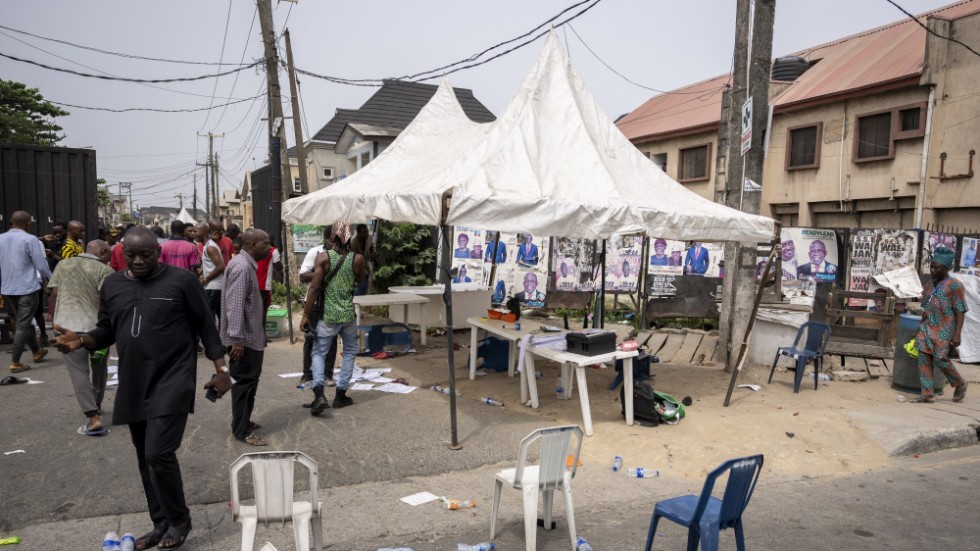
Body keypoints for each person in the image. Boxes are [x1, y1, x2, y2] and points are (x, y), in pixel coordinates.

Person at [52, 227, 230, 551]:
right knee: (144, 458)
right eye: (130, 255)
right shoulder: (113, 285)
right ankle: (160, 523)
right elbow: (106, 330)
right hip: (134, 380)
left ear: (157, 252)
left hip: (174, 377)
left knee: (158, 453)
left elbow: (206, 325)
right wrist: (82, 340)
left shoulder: (182, 282)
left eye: (144, 255)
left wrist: (222, 370)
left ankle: (180, 520)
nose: (137, 261)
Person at [48, 239, 112, 435]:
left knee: (79, 373)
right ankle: (98, 404)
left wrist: (54, 319)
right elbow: (107, 301)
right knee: (100, 368)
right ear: (102, 252)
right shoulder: (105, 270)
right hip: (96, 331)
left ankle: (93, 418)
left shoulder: (63, 264)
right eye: (108, 254)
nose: (109, 258)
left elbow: (53, 293)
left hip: (66, 327)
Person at [301, 222, 366, 413]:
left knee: (319, 352)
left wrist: (305, 314)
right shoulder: (358, 259)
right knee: (350, 351)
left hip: (329, 315)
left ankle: (319, 394)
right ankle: (340, 395)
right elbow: (360, 280)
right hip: (348, 314)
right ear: (349, 237)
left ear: (333, 238)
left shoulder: (323, 258)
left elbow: (314, 287)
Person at [221, 229, 271, 446]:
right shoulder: (242, 267)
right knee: (243, 385)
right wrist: (237, 339)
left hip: (250, 337)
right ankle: (241, 431)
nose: (269, 248)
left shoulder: (245, 264)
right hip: (244, 341)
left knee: (249, 384)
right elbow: (235, 305)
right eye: (265, 244)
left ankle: (244, 422)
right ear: (252, 246)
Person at [912, 247, 969, 403]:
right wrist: (920, 326)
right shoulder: (930, 285)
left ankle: (959, 383)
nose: (932, 270)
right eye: (931, 266)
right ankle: (927, 394)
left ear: (945, 268)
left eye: (936, 267)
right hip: (927, 327)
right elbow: (926, 307)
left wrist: (957, 334)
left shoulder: (954, 285)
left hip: (945, 328)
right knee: (923, 358)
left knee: (940, 358)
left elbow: (960, 311)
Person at [0, 211, 51, 373]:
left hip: (8, 288)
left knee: (25, 321)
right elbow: (41, 265)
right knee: (23, 323)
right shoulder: (30, 239)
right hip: (27, 288)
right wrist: (51, 280)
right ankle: (15, 362)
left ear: (11, 221)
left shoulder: (0, 239)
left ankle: (36, 352)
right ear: (28, 223)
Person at [298, 228, 338, 392]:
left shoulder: (341, 256)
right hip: (314, 303)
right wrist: (320, 275)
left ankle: (328, 374)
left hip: (332, 302)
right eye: (332, 240)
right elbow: (302, 276)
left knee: (332, 339)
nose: (334, 244)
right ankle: (307, 374)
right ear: (327, 239)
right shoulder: (315, 252)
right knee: (310, 337)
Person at [200, 224, 226, 329]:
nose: (194, 233)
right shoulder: (210, 245)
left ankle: (214, 342)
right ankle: (222, 342)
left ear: (205, 232)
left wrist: (206, 280)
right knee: (220, 316)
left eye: (196, 231)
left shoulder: (210, 247)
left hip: (213, 287)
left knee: (207, 316)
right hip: (216, 286)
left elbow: (220, 267)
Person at [256, 242, 282, 319]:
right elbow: (277, 266)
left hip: (252, 285)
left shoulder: (254, 251)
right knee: (263, 312)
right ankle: (261, 330)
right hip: (264, 286)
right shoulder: (273, 251)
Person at [350, 223, 377, 296]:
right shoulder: (353, 241)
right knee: (359, 289)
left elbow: (371, 246)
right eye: (364, 233)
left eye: (367, 232)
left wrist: (373, 253)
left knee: (364, 287)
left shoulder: (369, 237)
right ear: (358, 233)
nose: (366, 234)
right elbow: (353, 257)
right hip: (356, 267)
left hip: (366, 266)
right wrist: (369, 256)